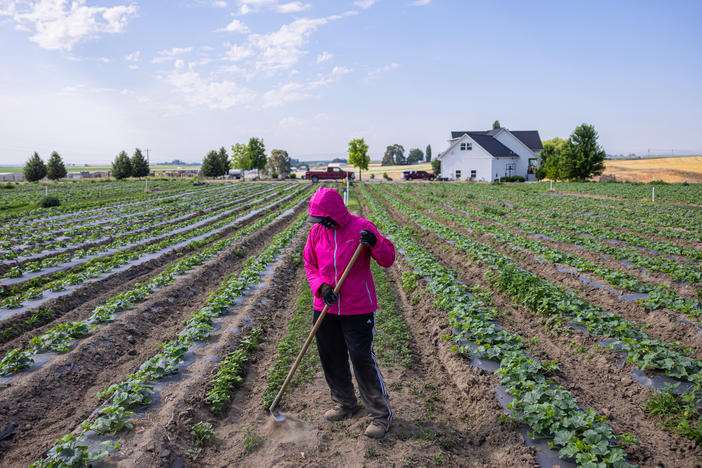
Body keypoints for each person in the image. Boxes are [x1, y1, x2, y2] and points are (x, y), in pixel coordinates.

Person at [303, 187, 396, 439]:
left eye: (323, 219)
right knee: (330, 355)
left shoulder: (361, 228)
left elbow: (387, 259)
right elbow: (310, 265)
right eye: (318, 220)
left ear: (335, 214)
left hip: (358, 307)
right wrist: (320, 288)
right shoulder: (316, 233)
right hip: (327, 306)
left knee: (361, 357)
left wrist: (375, 243)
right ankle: (344, 402)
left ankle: (379, 414)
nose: (321, 223)